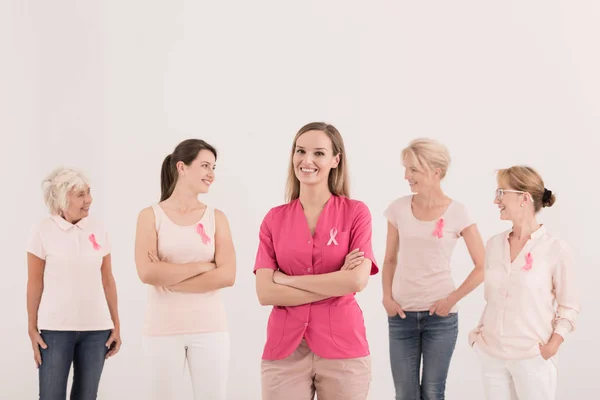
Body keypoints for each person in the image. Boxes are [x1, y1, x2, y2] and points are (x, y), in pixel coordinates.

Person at [253, 122, 379, 400]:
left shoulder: (356, 213)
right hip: (284, 350)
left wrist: (287, 280)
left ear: (336, 160)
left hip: (344, 349)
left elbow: (357, 280)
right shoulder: (274, 219)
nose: (307, 160)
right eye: (300, 151)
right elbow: (265, 292)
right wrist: (335, 282)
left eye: (319, 153)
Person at [382, 138, 486, 400]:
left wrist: (450, 300)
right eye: (406, 169)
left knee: (432, 392)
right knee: (405, 393)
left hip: (441, 318)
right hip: (401, 316)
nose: (407, 176)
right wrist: (386, 298)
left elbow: (483, 266)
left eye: (413, 170)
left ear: (435, 172)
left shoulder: (458, 212)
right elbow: (390, 259)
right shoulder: (398, 208)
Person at [134, 139, 236, 400]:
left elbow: (227, 275)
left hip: (210, 329)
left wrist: (169, 276)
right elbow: (147, 273)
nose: (211, 174)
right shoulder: (150, 216)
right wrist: (203, 266)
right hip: (161, 329)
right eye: (204, 165)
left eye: (214, 167)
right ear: (182, 167)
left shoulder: (217, 217)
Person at [469, 166, 579, 400]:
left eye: (501, 193)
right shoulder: (494, 245)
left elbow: (568, 307)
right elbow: (492, 299)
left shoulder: (556, 250)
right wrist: (478, 336)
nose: (495, 200)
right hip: (492, 354)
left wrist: (552, 346)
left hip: (533, 357)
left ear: (524, 198)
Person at [26, 166, 121, 399]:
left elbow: (108, 279)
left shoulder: (99, 229)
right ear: (60, 199)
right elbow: (34, 282)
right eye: (80, 195)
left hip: (97, 331)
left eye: (88, 192)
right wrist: (32, 327)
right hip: (55, 331)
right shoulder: (42, 230)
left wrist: (116, 324)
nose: (88, 200)